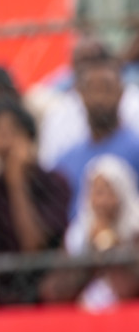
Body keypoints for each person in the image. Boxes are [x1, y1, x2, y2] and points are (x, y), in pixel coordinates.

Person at [0, 103, 71, 307]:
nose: (5, 140)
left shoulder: (54, 182)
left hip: (51, 295)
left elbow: (32, 245)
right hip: (10, 297)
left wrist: (17, 183)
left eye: (12, 131)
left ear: (29, 137)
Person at [48, 155, 139, 309]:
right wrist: (89, 253)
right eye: (97, 193)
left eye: (109, 192)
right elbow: (54, 292)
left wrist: (109, 246)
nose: (102, 203)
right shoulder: (76, 235)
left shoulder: (135, 232)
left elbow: (127, 290)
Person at [53, 56, 139, 217]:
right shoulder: (65, 160)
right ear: (81, 94)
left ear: (121, 92)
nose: (99, 98)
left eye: (107, 89)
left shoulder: (136, 149)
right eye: (92, 89)